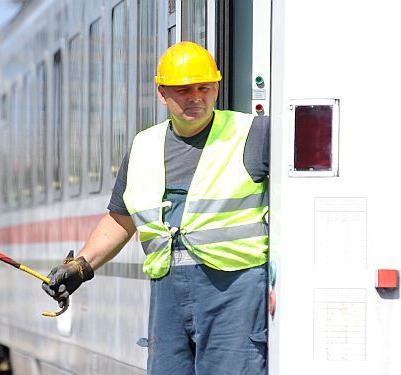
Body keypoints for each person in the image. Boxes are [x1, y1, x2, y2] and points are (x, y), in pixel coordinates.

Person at [42, 41, 269, 374]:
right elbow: (121, 219)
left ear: (217, 87)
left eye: (204, 87)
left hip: (234, 292)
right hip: (169, 294)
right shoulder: (143, 146)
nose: (196, 97)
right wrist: (81, 267)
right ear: (162, 94)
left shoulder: (253, 133)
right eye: (183, 90)